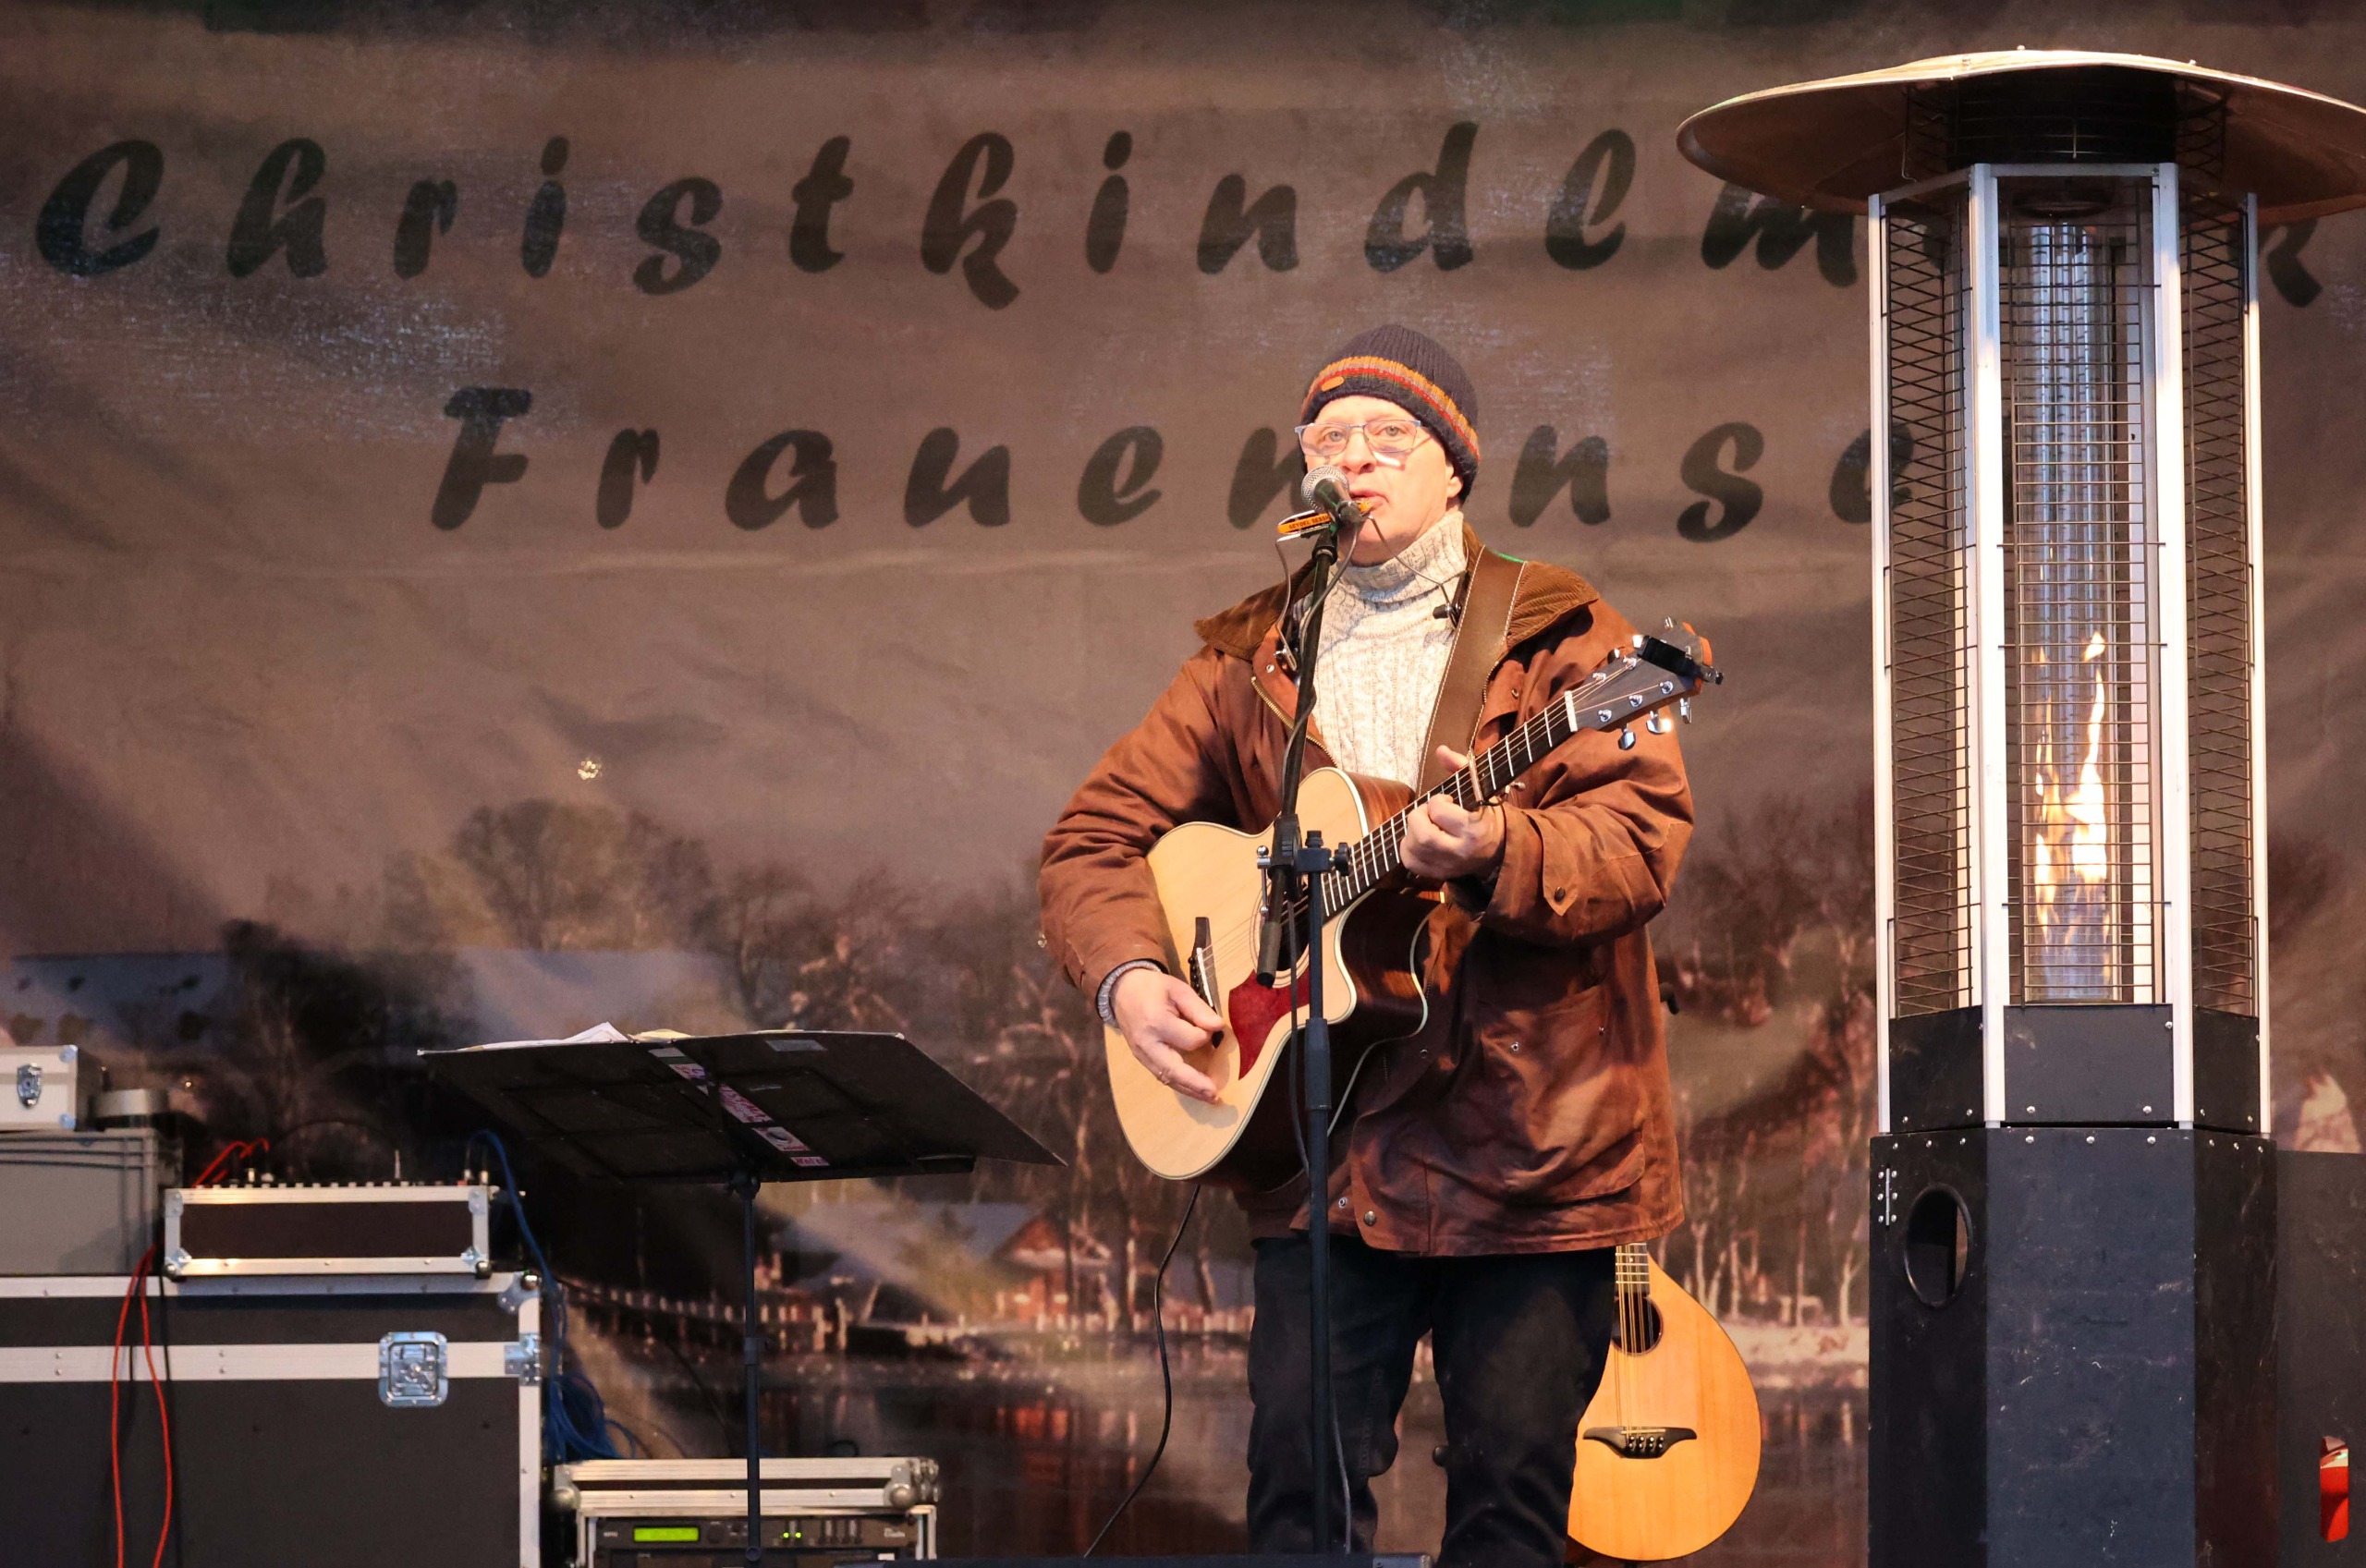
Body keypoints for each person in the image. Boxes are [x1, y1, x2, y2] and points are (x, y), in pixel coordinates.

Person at [1037, 324, 1692, 1568]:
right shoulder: (1250, 661)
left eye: (1388, 437)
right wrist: (1129, 975)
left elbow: (1637, 843)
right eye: (1328, 440)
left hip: (1531, 1155)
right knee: (1298, 1501)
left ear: (1455, 467)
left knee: (1510, 1512)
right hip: (1328, 1148)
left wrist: (1497, 847)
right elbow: (1093, 841)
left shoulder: (1565, 635)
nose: (1353, 460)